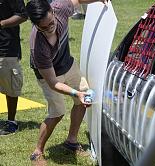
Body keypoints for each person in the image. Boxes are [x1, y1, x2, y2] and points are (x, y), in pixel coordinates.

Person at [25, 0, 108, 161]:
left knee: (83, 100)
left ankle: (71, 141)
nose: (50, 28)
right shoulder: (38, 48)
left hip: (68, 64)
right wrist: (76, 93)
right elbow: (53, 83)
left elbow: (77, 0)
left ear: (53, 11)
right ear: (35, 25)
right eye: (44, 27)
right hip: (50, 76)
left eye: (51, 23)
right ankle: (38, 152)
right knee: (57, 114)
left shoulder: (60, 8)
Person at [0, 0, 27, 135]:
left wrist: (2, 23)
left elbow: (23, 14)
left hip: (6, 49)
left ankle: (11, 122)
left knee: (11, 87)